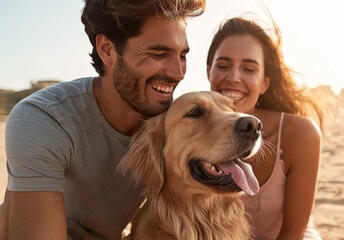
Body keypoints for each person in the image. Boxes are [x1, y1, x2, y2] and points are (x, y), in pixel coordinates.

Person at [0, 0, 205, 239]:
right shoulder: (45, 119)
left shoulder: (174, 125)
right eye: (158, 54)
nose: (178, 72)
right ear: (107, 50)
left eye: (182, 55)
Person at [207, 16, 326, 240]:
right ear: (208, 72)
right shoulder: (191, 132)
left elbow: (293, 233)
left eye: (249, 69)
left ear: (265, 83)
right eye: (223, 66)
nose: (233, 77)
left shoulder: (300, 133)